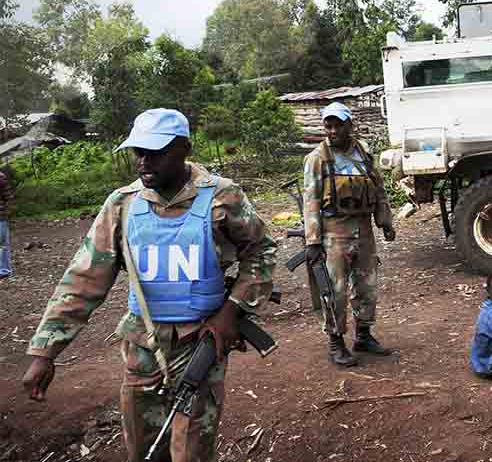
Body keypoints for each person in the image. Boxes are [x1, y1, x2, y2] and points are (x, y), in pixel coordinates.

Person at [21, 109, 276, 462]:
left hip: (202, 340)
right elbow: (84, 278)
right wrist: (45, 351)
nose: (143, 161)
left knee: (191, 452)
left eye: (155, 152)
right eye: (137, 152)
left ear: (185, 148)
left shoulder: (222, 197)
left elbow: (261, 251)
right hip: (143, 347)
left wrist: (231, 312)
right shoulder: (123, 205)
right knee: (144, 451)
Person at [303, 102, 395, 367]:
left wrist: (385, 221)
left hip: (363, 229)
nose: (333, 131)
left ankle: (363, 335)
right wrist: (313, 241)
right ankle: (336, 343)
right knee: (335, 291)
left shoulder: (362, 152)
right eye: (328, 126)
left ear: (349, 125)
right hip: (334, 233)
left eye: (338, 125)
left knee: (367, 285)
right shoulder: (316, 159)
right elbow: (310, 201)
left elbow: (377, 188)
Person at [0, 170, 13, 278]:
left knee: (3, 244)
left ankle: (4, 270)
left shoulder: (1, 177)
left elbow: (8, 198)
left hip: (1, 217)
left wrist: (5, 213)